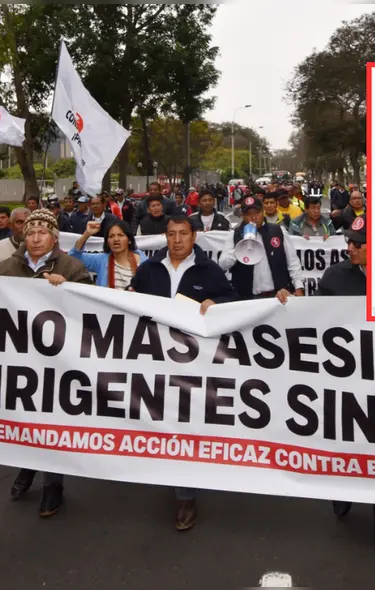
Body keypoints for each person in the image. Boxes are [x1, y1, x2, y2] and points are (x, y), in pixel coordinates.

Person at [0, 209, 93, 517]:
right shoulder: (8, 266)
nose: (36, 239)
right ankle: (28, 466)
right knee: (26, 420)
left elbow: (94, 311)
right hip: (19, 359)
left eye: (43, 233)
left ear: (54, 236)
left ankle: (53, 485)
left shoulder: (71, 265)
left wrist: (70, 288)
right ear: (22, 237)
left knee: (51, 422)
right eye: (30, 233)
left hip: (57, 361)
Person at [130, 215, 236, 531]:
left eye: (183, 234)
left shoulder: (210, 271)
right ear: (165, 237)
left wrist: (214, 301)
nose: (177, 240)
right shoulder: (149, 270)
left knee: (183, 423)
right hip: (152, 358)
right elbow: (131, 299)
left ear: (194, 237)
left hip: (192, 363)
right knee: (158, 419)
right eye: (172, 234)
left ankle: (185, 496)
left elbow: (233, 300)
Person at [316, 216, 375, 561]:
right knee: (346, 442)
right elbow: (314, 321)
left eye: (357, 243)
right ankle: (344, 487)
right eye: (348, 242)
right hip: (347, 382)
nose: (349, 247)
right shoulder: (334, 277)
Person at [220, 196, 303, 302]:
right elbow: (222, 264)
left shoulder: (278, 231)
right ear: (242, 216)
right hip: (247, 298)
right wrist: (240, 248)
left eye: (257, 212)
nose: (253, 217)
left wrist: (298, 287)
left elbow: (293, 262)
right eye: (249, 214)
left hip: (278, 296)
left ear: (262, 212)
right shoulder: (234, 235)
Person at [68, 219, 144, 289]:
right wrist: (86, 234)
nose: (116, 239)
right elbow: (73, 258)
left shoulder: (143, 261)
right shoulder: (102, 260)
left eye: (120, 235)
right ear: (107, 242)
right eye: (111, 236)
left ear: (130, 240)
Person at [0, 208, 30, 272]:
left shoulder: (43, 248)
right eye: (19, 222)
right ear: (10, 225)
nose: (25, 226)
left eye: (28, 222)